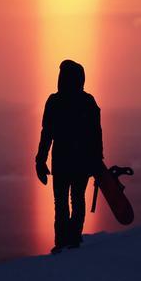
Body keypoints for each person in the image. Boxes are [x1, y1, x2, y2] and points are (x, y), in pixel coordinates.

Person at [35, 59, 103, 254]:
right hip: (72, 162)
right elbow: (47, 133)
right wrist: (40, 160)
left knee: (67, 201)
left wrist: (40, 160)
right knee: (70, 200)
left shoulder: (58, 102)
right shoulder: (85, 102)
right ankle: (68, 240)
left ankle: (68, 240)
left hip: (68, 161)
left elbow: (47, 134)